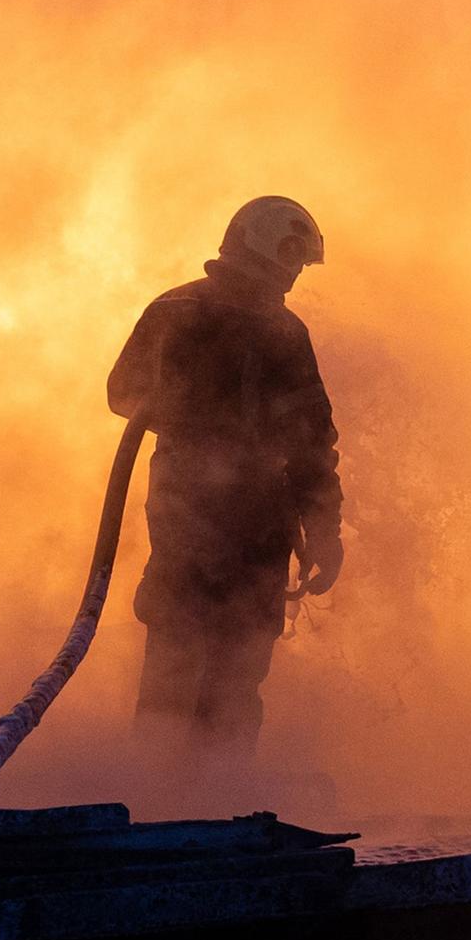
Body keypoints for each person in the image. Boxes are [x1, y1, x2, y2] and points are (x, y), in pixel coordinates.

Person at [108, 196, 343, 758]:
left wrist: (323, 529)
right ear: (266, 246)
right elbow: (126, 394)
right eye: (292, 258)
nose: (294, 274)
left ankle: (186, 787)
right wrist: (322, 530)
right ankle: (188, 787)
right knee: (204, 660)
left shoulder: (183, 308)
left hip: (209, 512)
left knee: (199, 662)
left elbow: (311, 443)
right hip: (219, 516)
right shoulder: (248, 323)